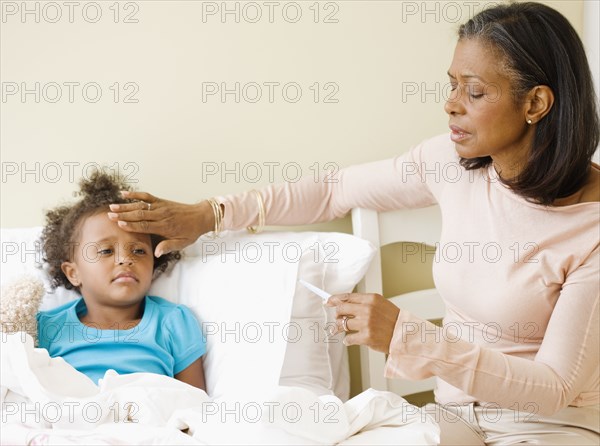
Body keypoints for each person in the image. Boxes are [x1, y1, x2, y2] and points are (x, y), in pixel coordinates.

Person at [107, 2, 599, 444]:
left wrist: (407, 336)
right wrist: (211, 214)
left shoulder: (591, 232)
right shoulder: (455, 162)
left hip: (549, 426)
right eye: (451, 84)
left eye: (473, 91)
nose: (450, 104)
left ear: (536, 103)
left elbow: (553, 388)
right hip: (456, 419)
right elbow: (333, 189)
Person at [38, 171, 206, 390]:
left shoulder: (172, 322)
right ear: (73, 273)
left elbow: (195, 406)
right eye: (106, 250)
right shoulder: (46, 328)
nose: (126, 259)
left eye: (138, 250)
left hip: (148, 421)